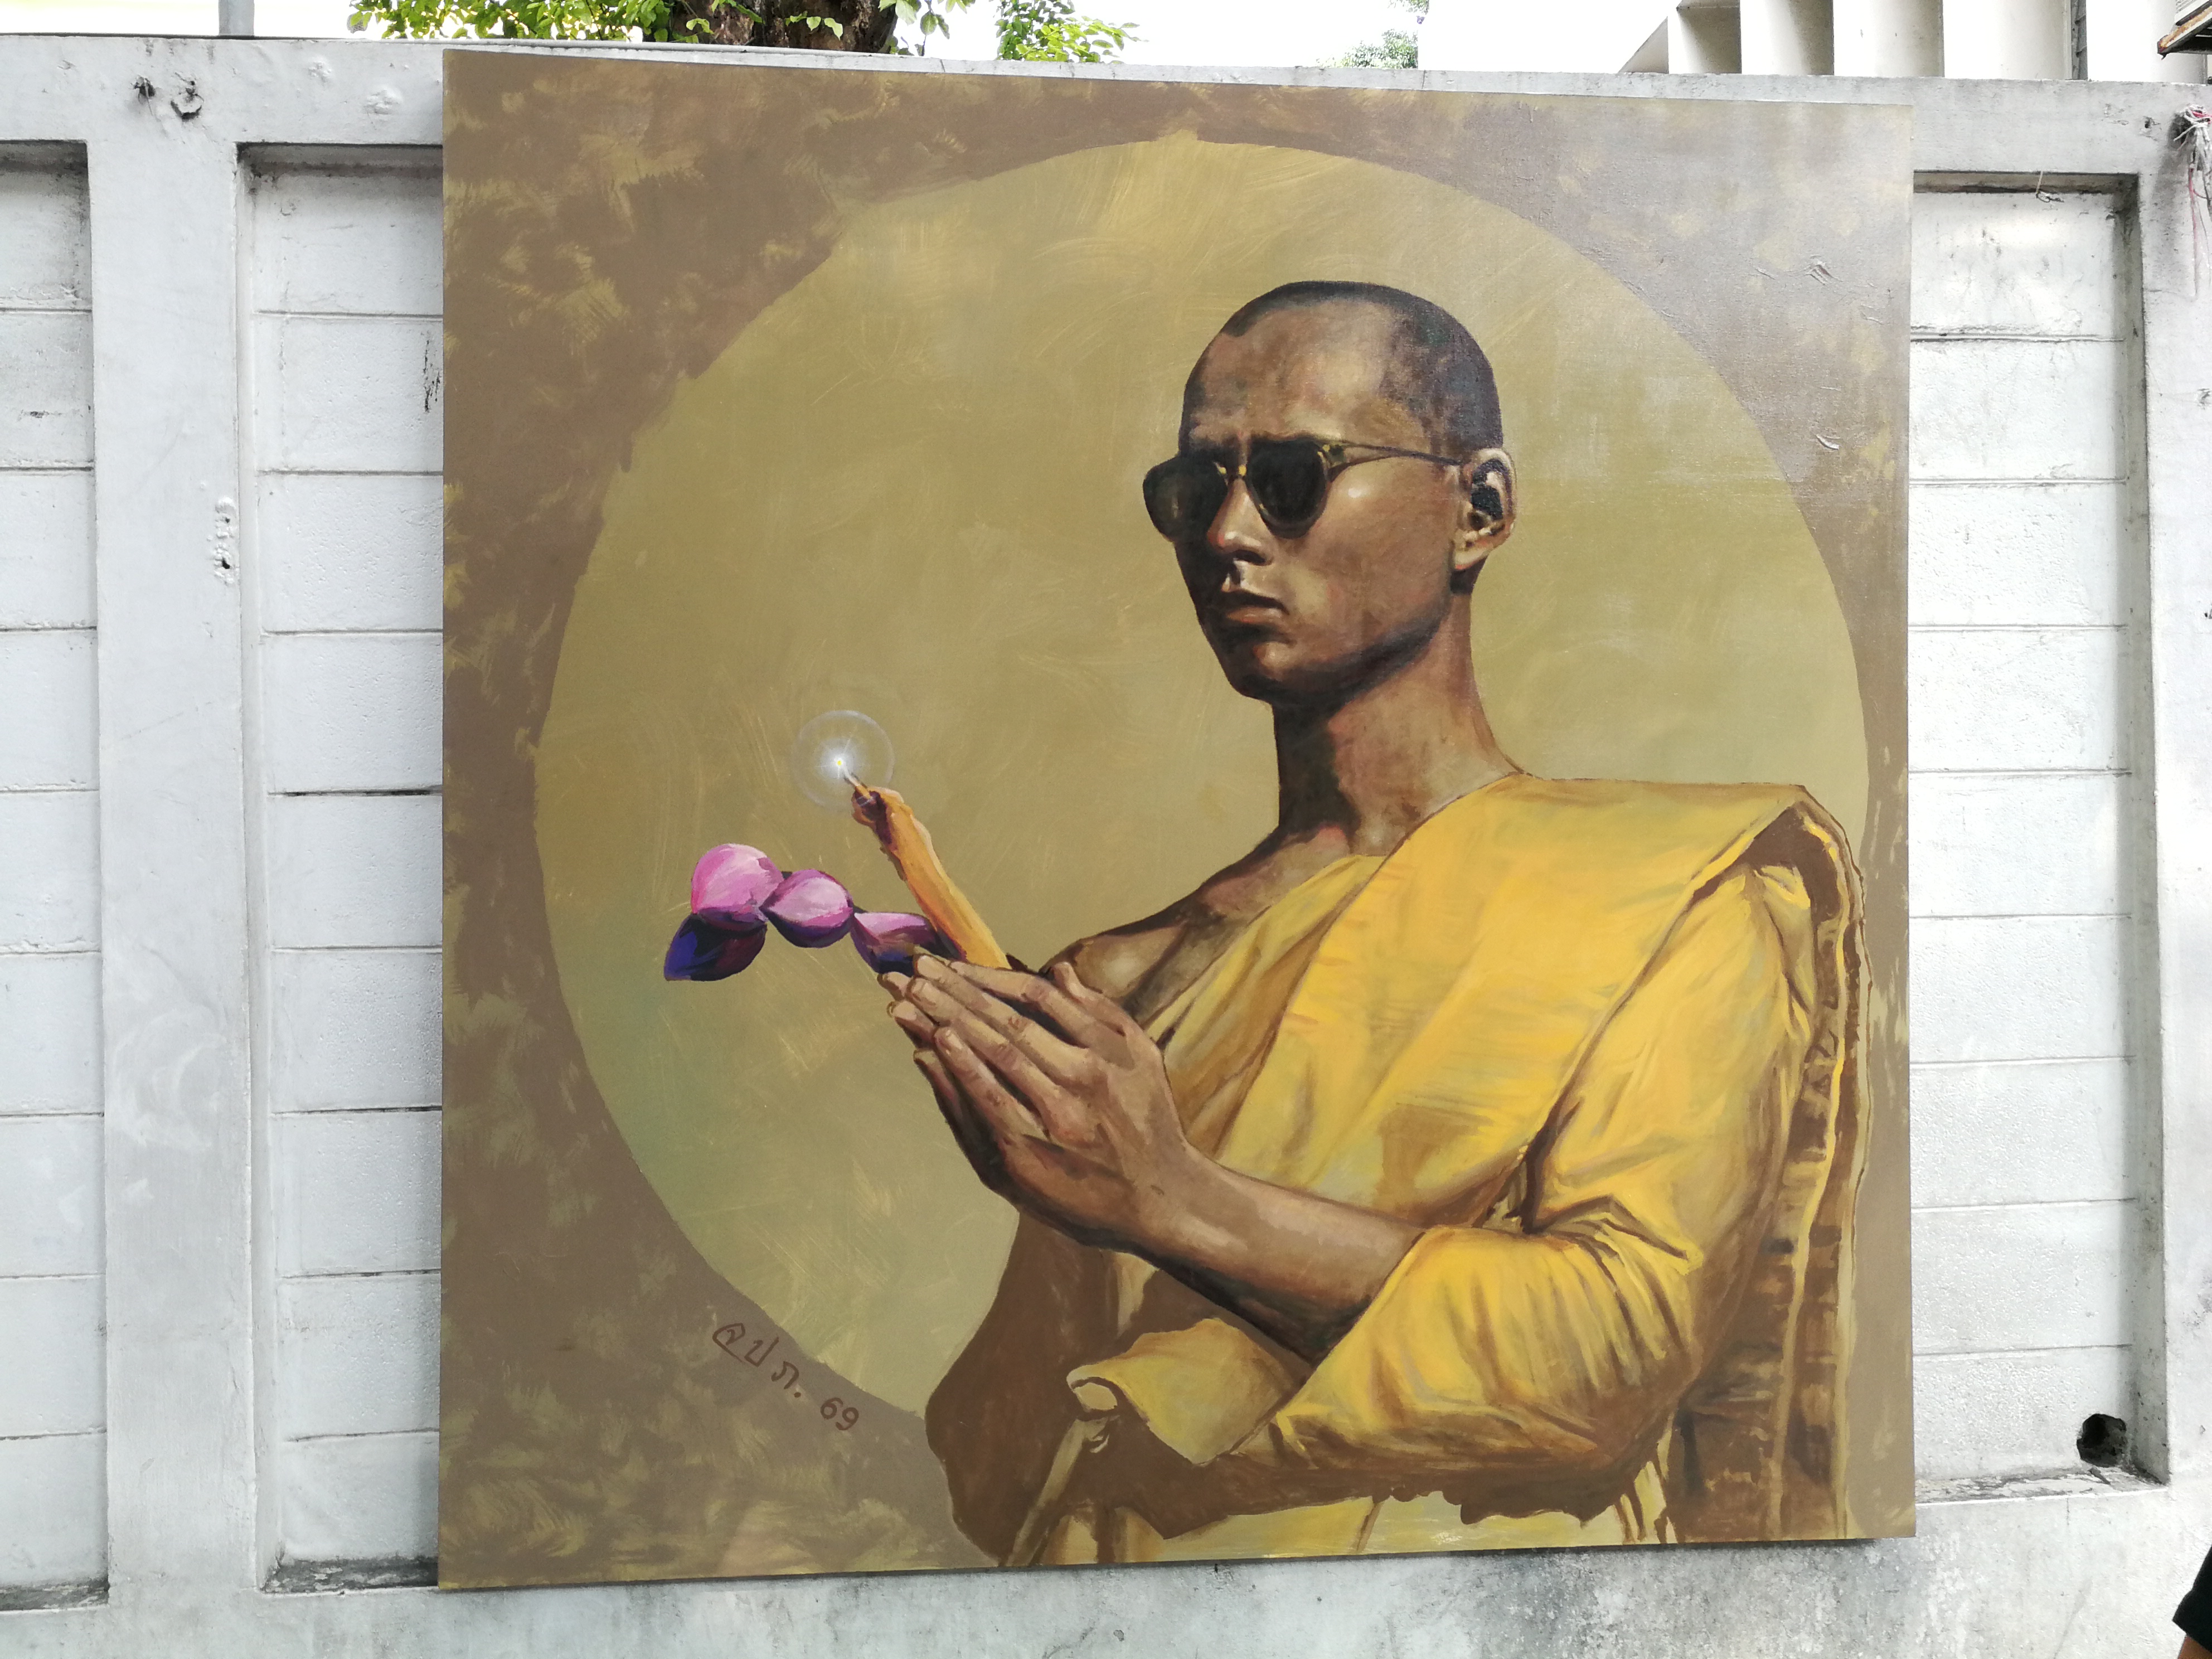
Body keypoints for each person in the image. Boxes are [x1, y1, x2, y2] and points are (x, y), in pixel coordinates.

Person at [881, 280, 1865, 1566]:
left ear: (1479, 509)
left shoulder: (1664, 895)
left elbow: (1611, 1357)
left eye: (1296, 478)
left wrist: (1174, 1200)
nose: (1229, 532)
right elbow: (1006, 1464)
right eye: (1193, 491)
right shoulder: (1120, 978)